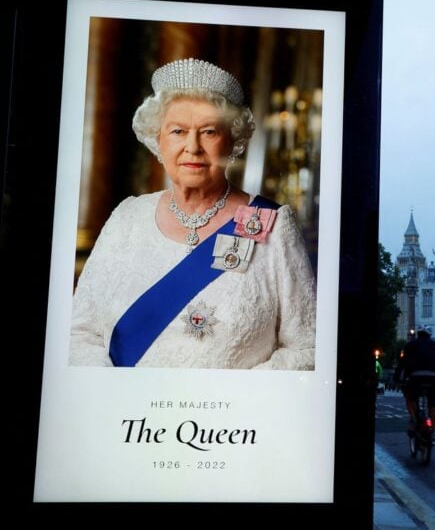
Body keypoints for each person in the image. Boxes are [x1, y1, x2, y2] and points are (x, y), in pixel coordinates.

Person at [69, 58, 316, 370]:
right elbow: (81, 332)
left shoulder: (273, 224)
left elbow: (308, 346)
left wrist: (232, 399)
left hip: (231, 418)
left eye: (209, 131)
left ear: (233, 141)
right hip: (131, 418)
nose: (192, 147)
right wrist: (116, 398)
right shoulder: (126, 218)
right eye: (177, 131)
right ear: (157, 139)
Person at [397, 325, 435, 434]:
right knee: (432, 405)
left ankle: (414, 420)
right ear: (429, 335)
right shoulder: (434, 345)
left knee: (410, 399)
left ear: (418, 334)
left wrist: (398, 378)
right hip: (433, 378)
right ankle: (432, 433)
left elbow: (402, 363)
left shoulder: (411, 344)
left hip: (416, 377)